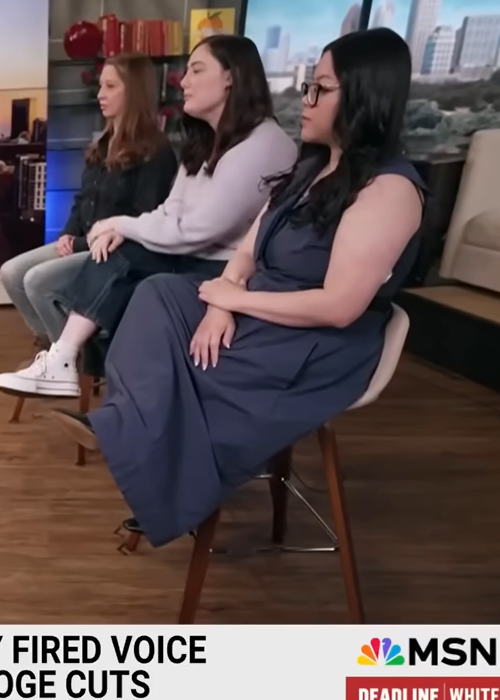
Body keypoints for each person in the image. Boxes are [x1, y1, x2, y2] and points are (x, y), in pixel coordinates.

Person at [49, 28, 426, 547]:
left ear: (364, 95)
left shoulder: (388, 190)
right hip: (256, 304)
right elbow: (248, 250)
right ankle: (144, 445)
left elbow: (339, 306)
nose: (305, 100)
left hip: (313, 338)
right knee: (156, 294)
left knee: (188, 356)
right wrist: (221, 302)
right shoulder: (310, 169)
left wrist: (236, 300)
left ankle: (145, 452)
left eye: (320, 88)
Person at [0, 35, 297, 398]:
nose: (183, 82)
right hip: (191, 254)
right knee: (113, 253)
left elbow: (196, 228)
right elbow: (170, 212)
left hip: (225, 268)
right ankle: (66, 359)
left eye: (196, 71)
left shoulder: (263, 144)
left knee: (108, 259)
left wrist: (120, 226)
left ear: (231, 77)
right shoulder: (204, 141)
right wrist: (118, 230)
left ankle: (76, 364)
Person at [0, 53, 176, 354]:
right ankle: (55, 348)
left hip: (113, 253)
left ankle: (71, 361)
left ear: (132, 92)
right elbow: (83, 199)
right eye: (100, 86)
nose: (99, 94)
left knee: (37, 280)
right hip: (80, 241)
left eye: (109, 86)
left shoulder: (157, 152)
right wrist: (67, 232)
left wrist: (79, 242)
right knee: (12, 273)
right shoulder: (103, 144)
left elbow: (142, 216)